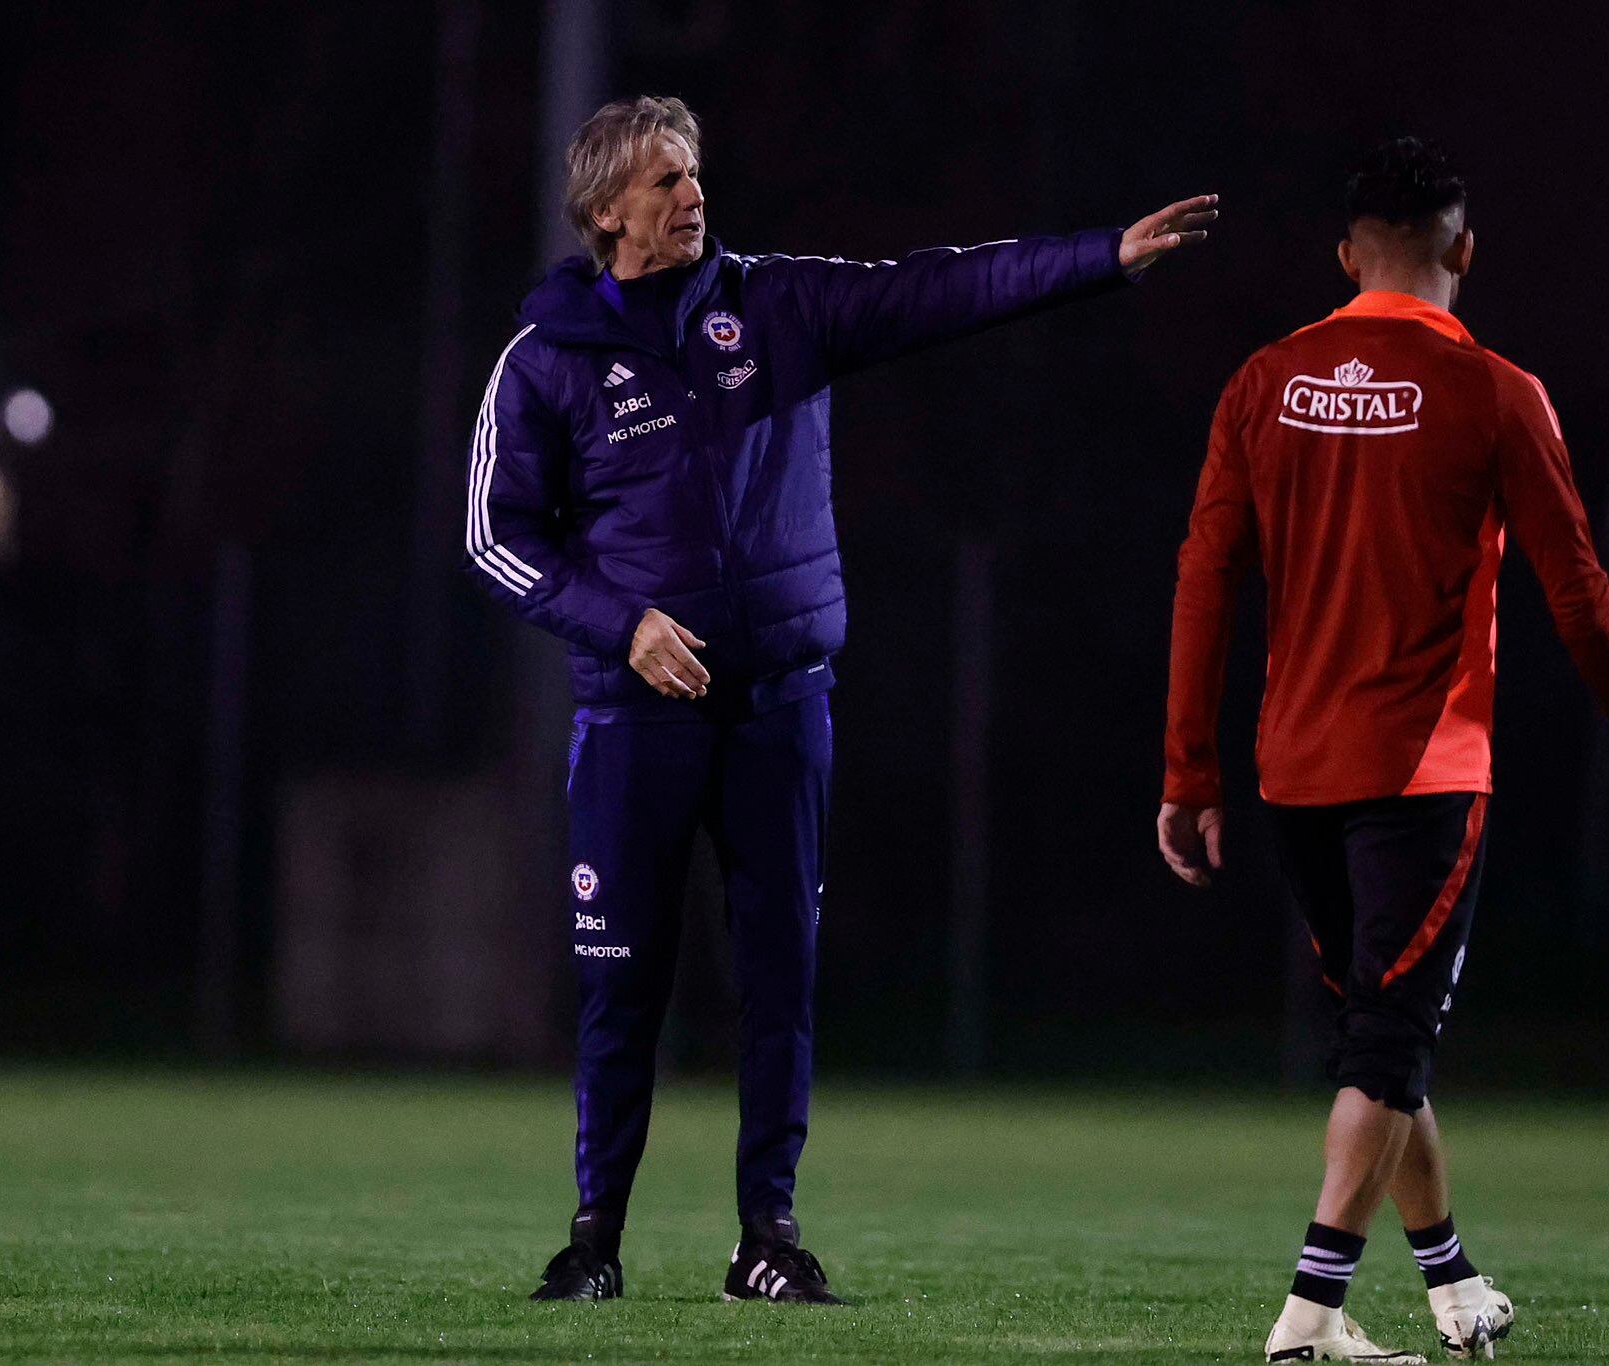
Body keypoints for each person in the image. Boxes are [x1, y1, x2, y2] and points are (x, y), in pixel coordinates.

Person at [470, 94, 1219, 1305]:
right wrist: (623, 626)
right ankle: (593, 1240)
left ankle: (765, 1236)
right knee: (620, 989)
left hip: (780, 707)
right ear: (606, 210)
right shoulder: (545, 359)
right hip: (633, 721)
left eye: (693, 170)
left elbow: (938, 287)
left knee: (779, 981)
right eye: (664, 179)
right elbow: (497, 539)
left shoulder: (776, 305)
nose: (691, 193)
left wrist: (1099, 258)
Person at [1158, 137, 1609, 1362]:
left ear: (1347, 258)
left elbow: (1202, 577)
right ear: (1464, 250)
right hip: (1420, 770)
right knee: (1388, 1045)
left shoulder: (1263, 381)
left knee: (1380, 1038)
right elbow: (1576, 588)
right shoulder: (1493, 390)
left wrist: (1188, 769)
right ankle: (1307, 1318)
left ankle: (1452, 1286)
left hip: (1292, 770)